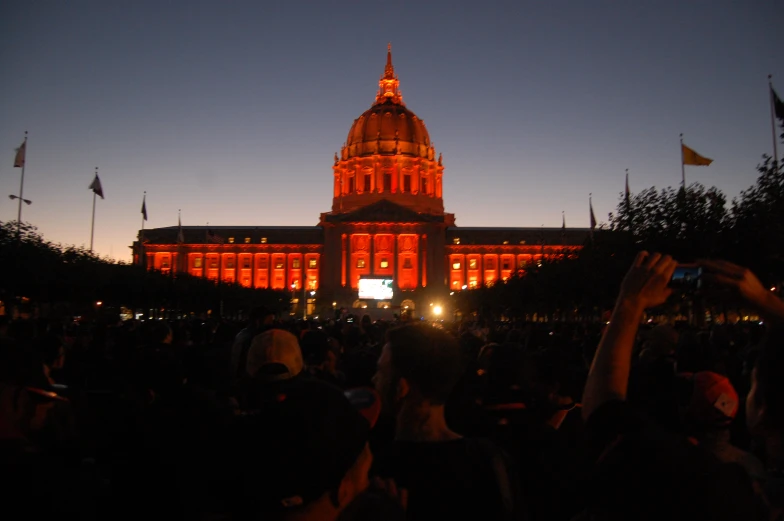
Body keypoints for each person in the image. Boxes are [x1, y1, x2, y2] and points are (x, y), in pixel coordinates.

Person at [580, 252, 759, 521]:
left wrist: (629, 302)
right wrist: (767, 302)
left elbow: (604, 410)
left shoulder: (661, 466)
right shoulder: (753, 483)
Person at [372, 324, 525, 521]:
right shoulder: (492, 463)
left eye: (381, 372)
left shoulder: (379, 473)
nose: (374, 379)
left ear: (401, 388)